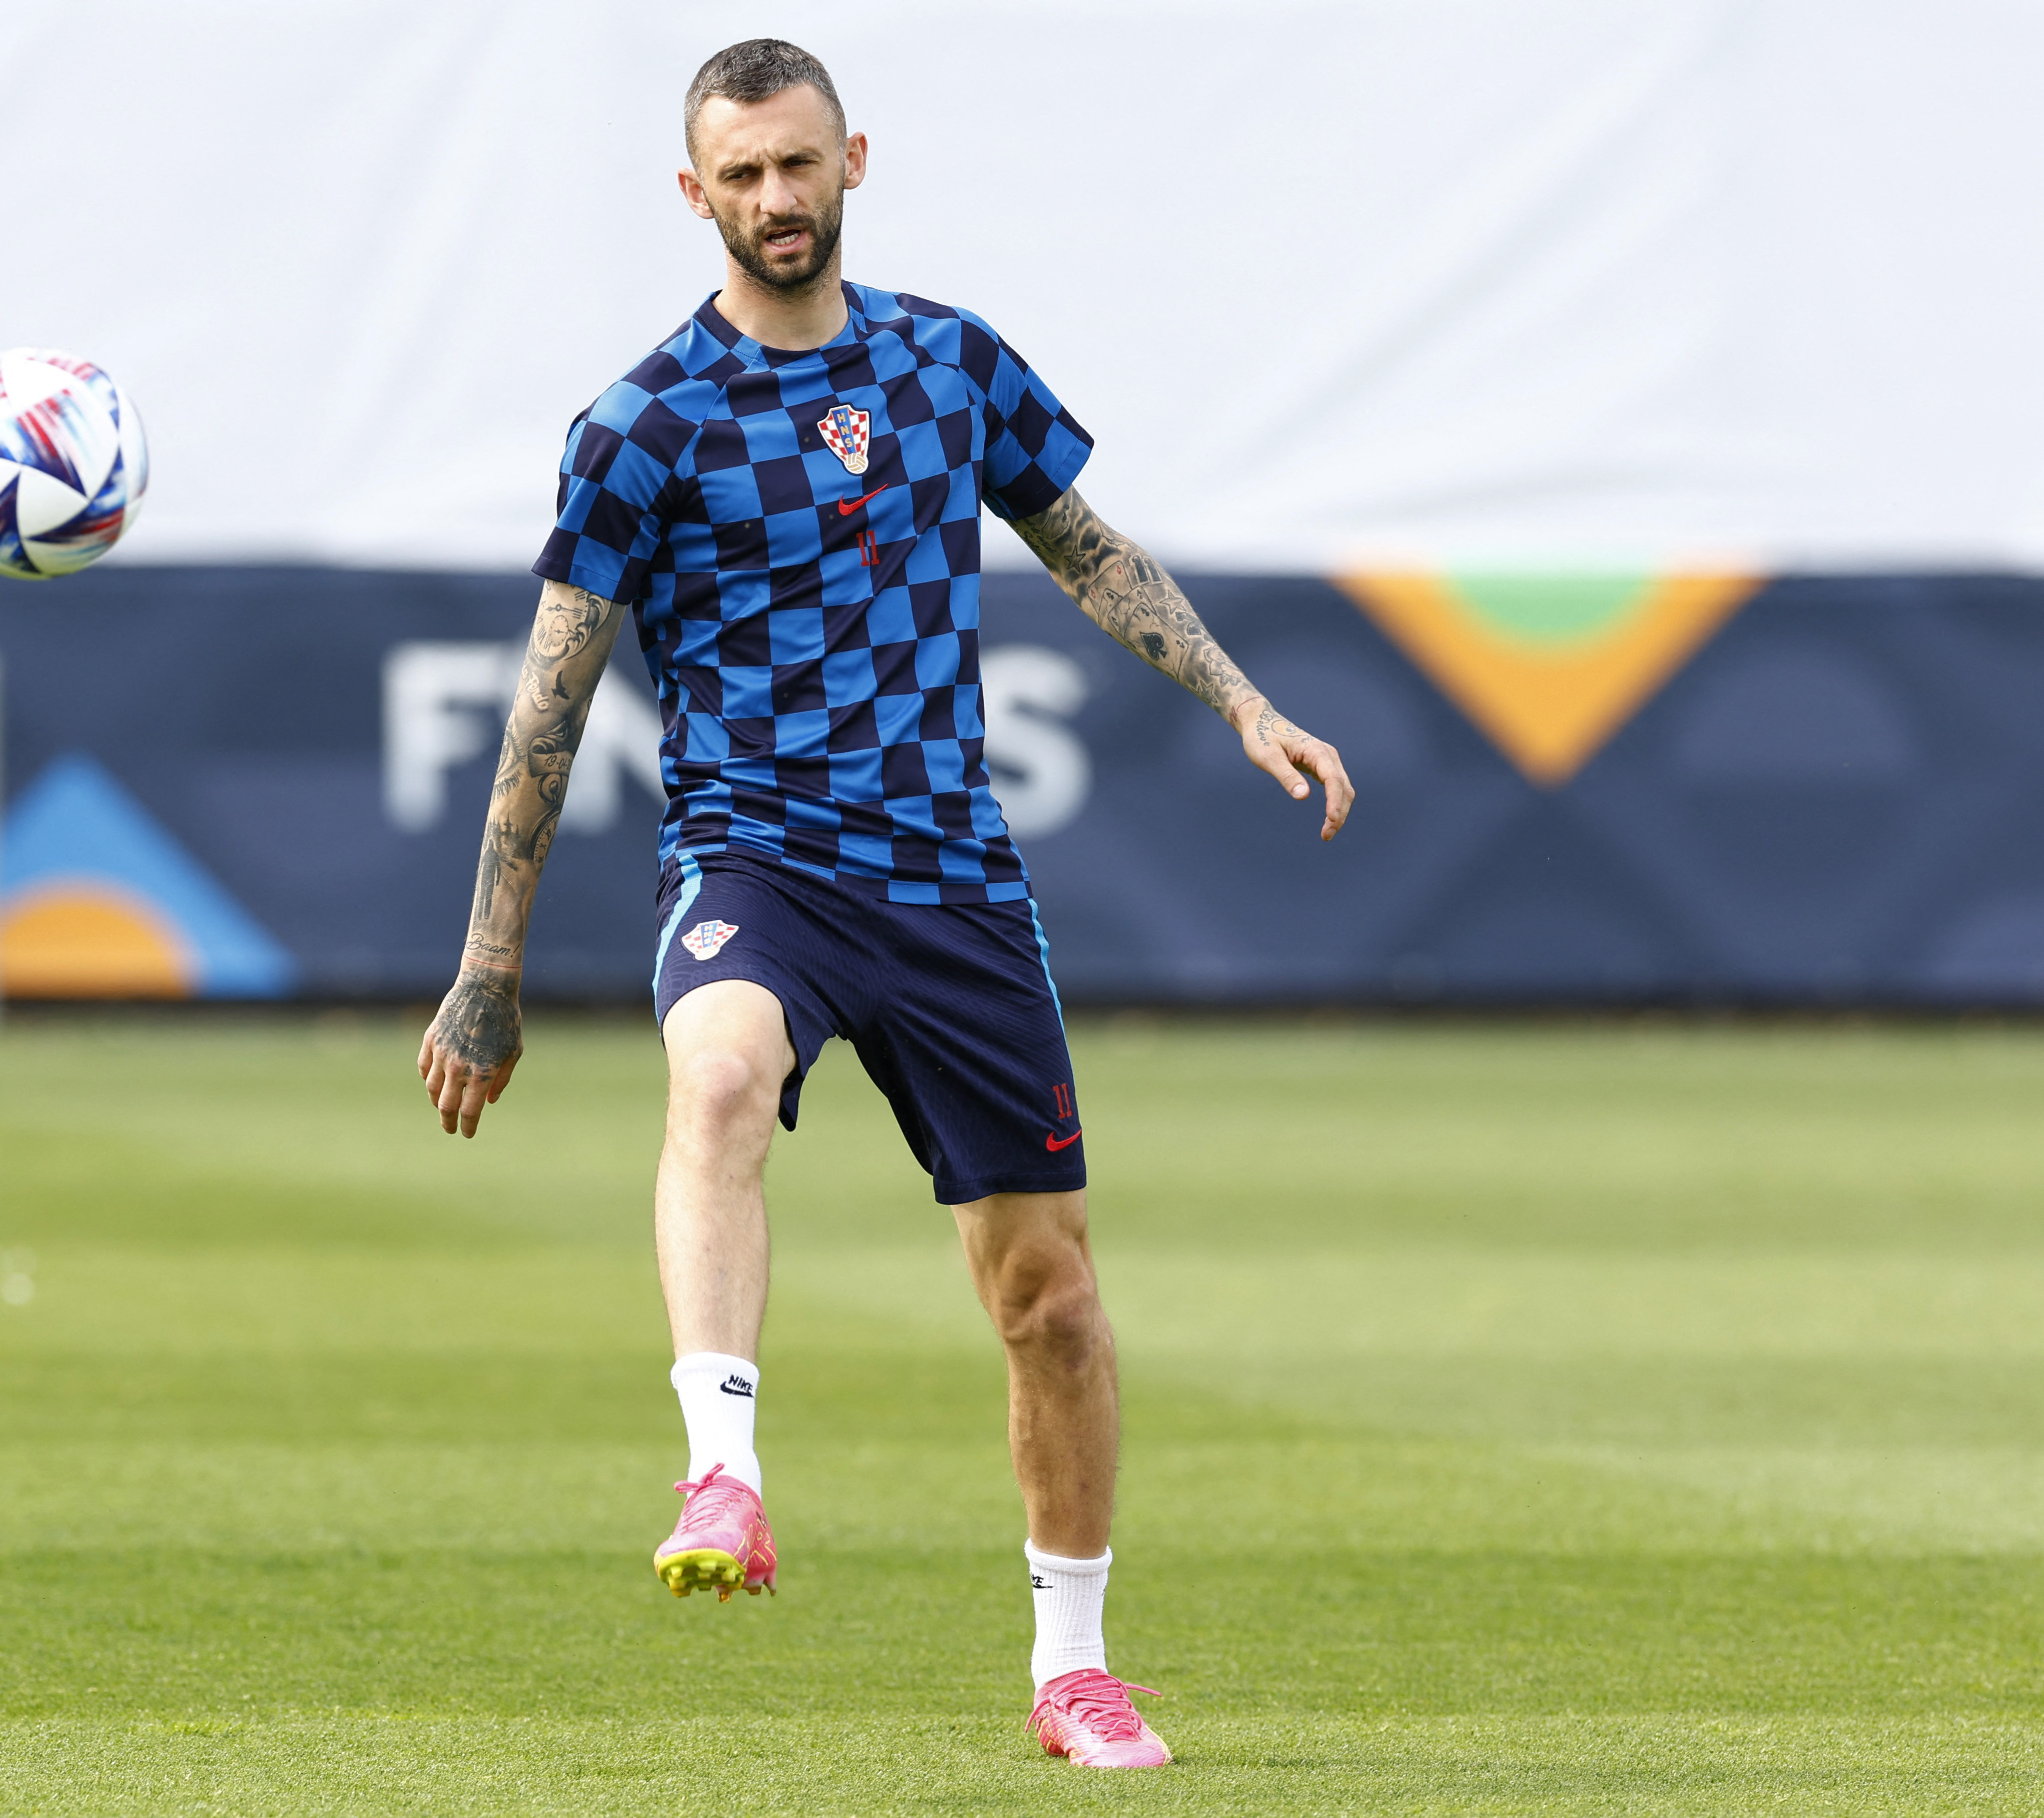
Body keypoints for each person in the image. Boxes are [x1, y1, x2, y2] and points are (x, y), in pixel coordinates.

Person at [416, 37, 1353, 1771]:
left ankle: (1072, 1665)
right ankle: (723, 1466)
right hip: (755, 864)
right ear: (691, 194)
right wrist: (490, 971)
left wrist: (1238, 696)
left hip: (952, 887)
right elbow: (548, 700)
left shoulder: (947, 362)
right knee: (713, 1080)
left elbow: (1081, 543)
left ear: (854, 158)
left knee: (1051, 1301)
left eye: (797, 164)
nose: (774, 200)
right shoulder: (642, 428)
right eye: (739, 176)